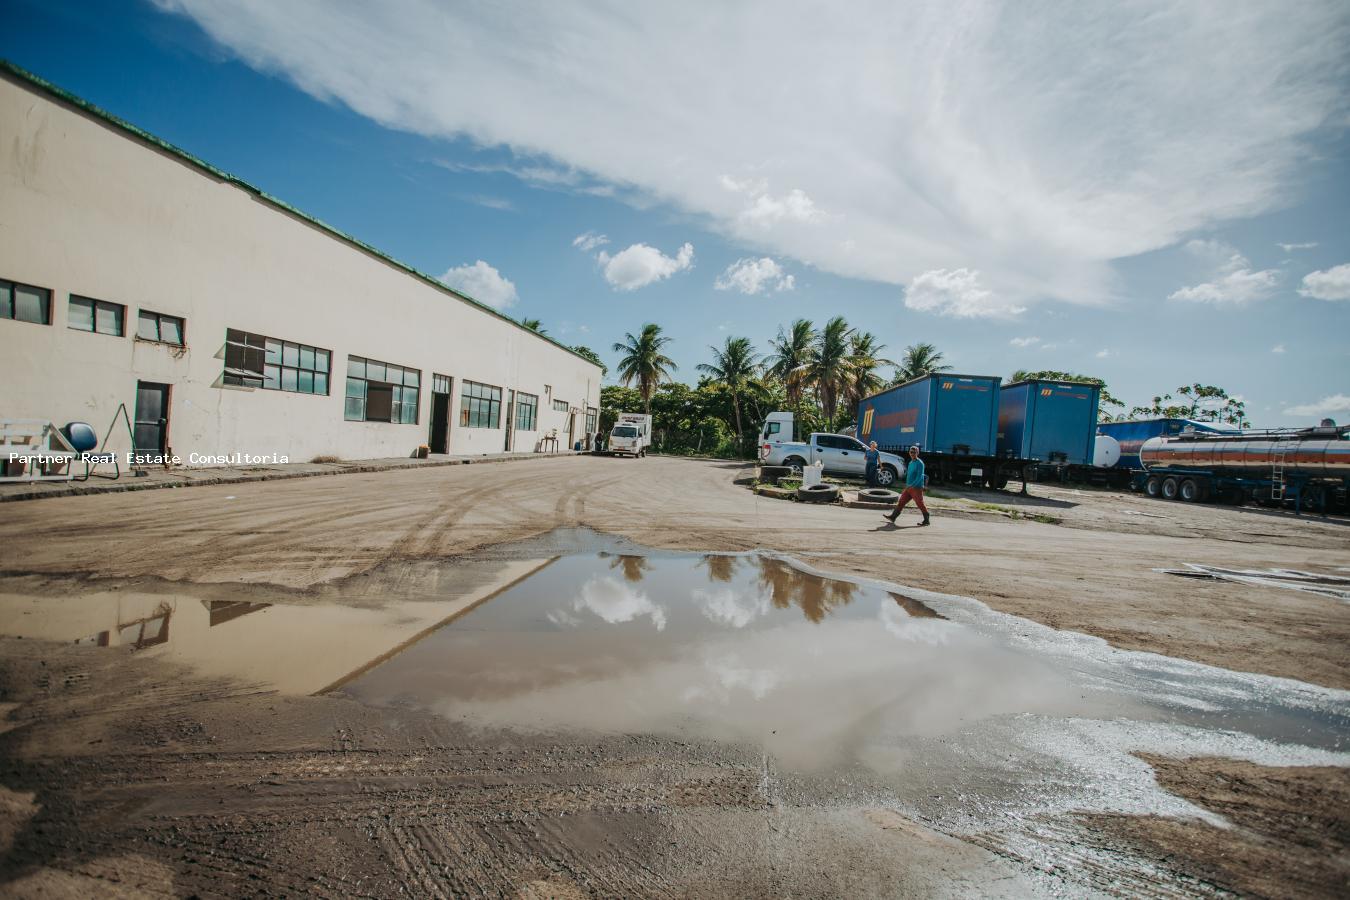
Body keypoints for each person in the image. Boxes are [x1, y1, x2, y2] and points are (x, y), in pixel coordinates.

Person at [883, 444, 930, 526]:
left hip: (916, 487)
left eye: (914, 452)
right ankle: (893, 517)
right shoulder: (911, 462)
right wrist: (907, 485)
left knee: (920, 503)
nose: (912, 454)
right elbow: (909, 475)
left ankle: (926, 520)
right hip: (909, 487)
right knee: (901, 501)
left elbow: (919, 477)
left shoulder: (920, 463)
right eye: (911, 452)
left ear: (917, 453)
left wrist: (912, 485)